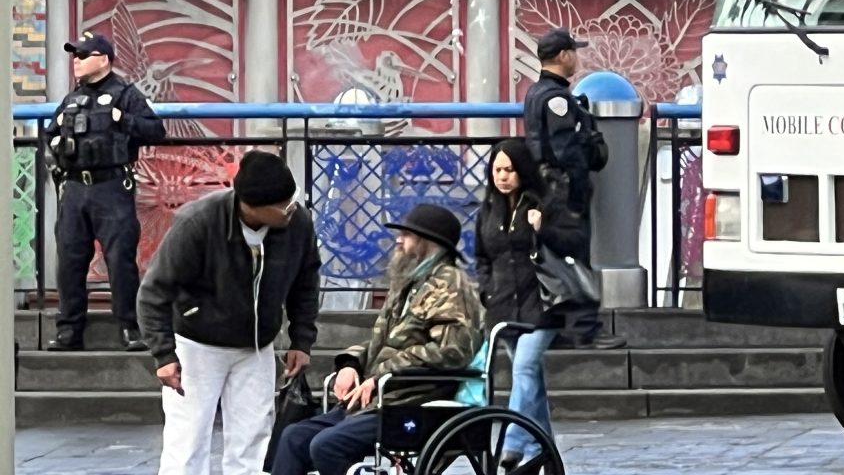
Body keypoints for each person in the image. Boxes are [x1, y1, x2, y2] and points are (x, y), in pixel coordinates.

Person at [136, 150, 321, 475]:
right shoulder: (198, 222)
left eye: (291, 200)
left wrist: (301, 339)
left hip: (257, 347)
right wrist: (163, 353)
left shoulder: (298, 224)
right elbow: (154, 291)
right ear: (251, 205)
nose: (291, 209)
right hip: (197, 344)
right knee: (187, 442)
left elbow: (306, 282)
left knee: (254, 443)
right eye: (282, 205)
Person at [271, 203, 484, 475]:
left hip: (413, 400)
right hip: (379, 398)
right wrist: (350, 364)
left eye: (406, 235)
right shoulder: (409, 282)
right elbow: (381, 343)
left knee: (327, 445)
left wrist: (382, 374)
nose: (398, 240)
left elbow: (452, 350)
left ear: (428, 243)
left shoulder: (451, 285)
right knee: (293, 437)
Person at [45, 31, 166, 352]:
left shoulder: (124, 94)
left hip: (111, 187)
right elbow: (51, 134)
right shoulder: (72, 98)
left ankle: (130, 327)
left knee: (120, 260)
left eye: (83, 55)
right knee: (69, 260)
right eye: (75, 55)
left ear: (104, 60)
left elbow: (156, 130)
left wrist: (122, 120)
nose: (76, 61)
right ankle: (69, 330)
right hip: (75, 188)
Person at [475, 138, 589, 469]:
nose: (502, 176)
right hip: (503, 307)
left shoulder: (546, 203)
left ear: (522, 170)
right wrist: (487, 290)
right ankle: (547, 454)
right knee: (532, 385)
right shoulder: (488, 209)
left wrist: (543, 229)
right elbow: (482, 258)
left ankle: (512, 444)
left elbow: (572, 246)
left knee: (524, 369)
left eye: (509, 170)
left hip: (542, 303)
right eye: (497, 169)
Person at [522, 27, 625, 351]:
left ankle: (562, 329)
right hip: (563, 191)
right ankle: (585, 330)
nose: (576, 58)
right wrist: (577, 189)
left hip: (547, 188)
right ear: (564, 55)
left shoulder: (535, 92)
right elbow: (566, 150)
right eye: (574, 52)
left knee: (557, 259)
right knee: (574, 258)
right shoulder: (557, 99)